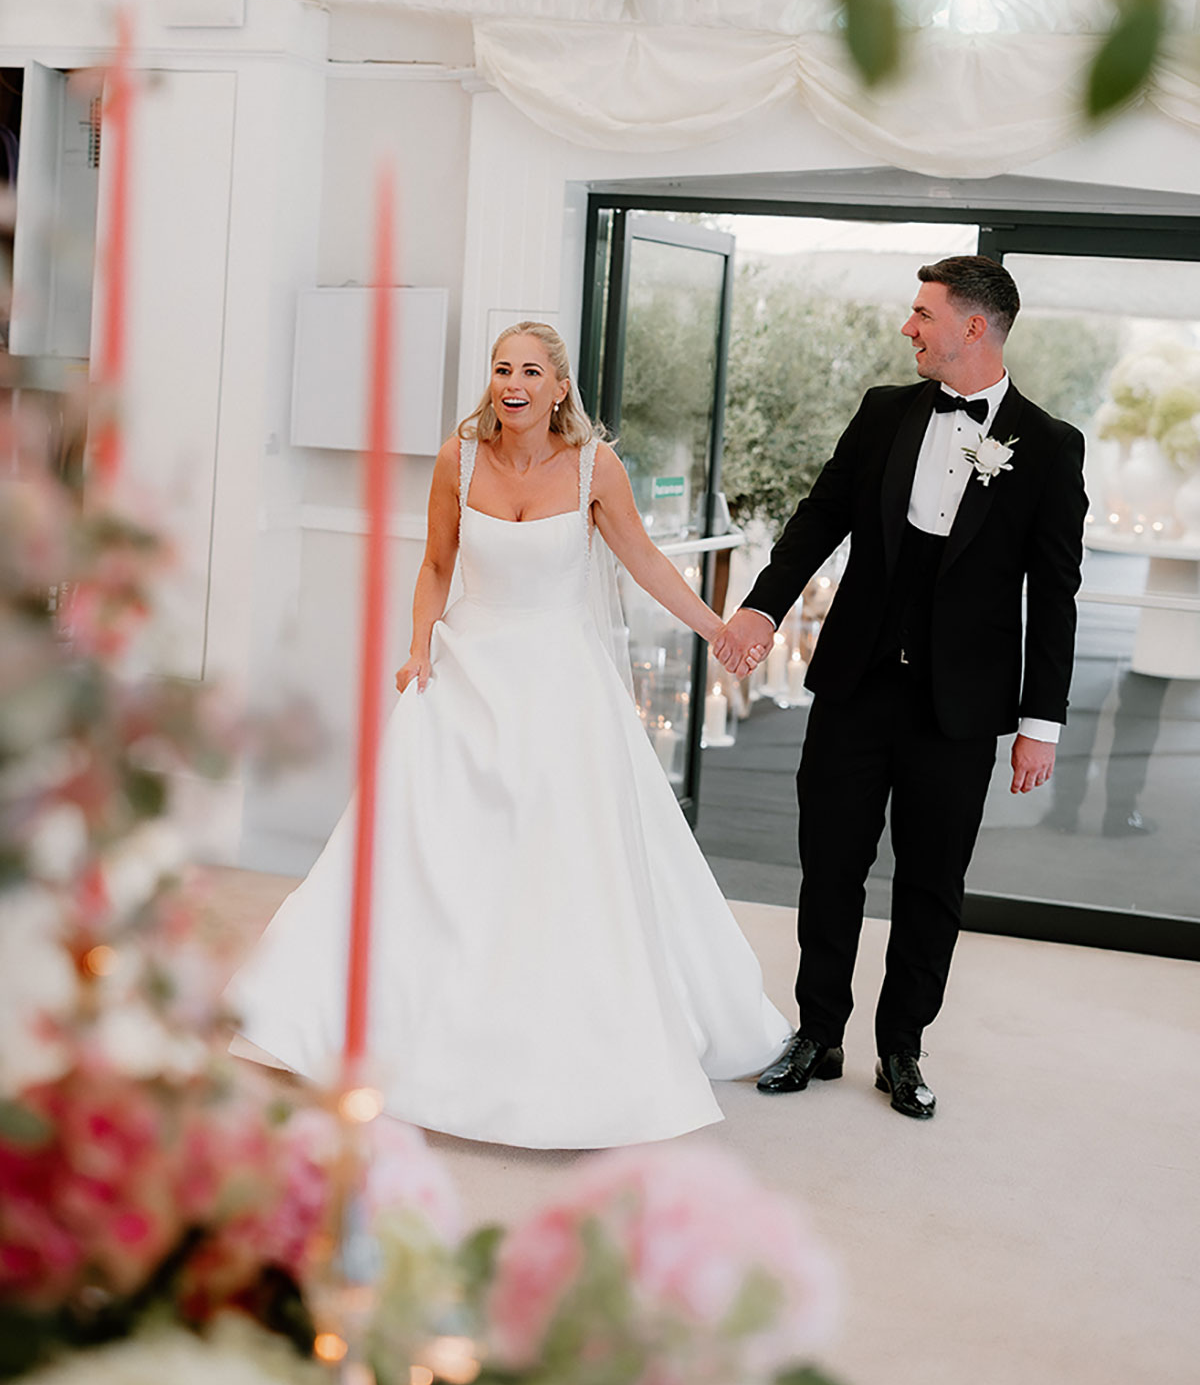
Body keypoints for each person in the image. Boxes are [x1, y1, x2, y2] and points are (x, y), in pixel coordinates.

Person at [232, 322, 788, 1149]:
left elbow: (642, 560)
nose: (513, 382)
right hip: (464, 675)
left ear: (560, 387)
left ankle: (561, 1045)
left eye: (531, 370)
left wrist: (716, 628)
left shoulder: (599, 468)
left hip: (562, 688)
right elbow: (435, 565)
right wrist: (418, 644)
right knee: (427, 858)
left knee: (562, 863)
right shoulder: (457, 459)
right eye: (501, 369)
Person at [714, 257, 1087, 1120]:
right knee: (830, 864)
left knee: (931, 881)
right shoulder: (885, 413)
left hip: (958, 710)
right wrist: (763, 608)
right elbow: (818, 516)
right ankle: (817, 1031)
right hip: (855, 684)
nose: (909, 327)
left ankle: (901, 1048)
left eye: (923, 313)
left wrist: (1042, 723)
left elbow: (1055, 594)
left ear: (973, 328)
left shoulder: (1050, 446)